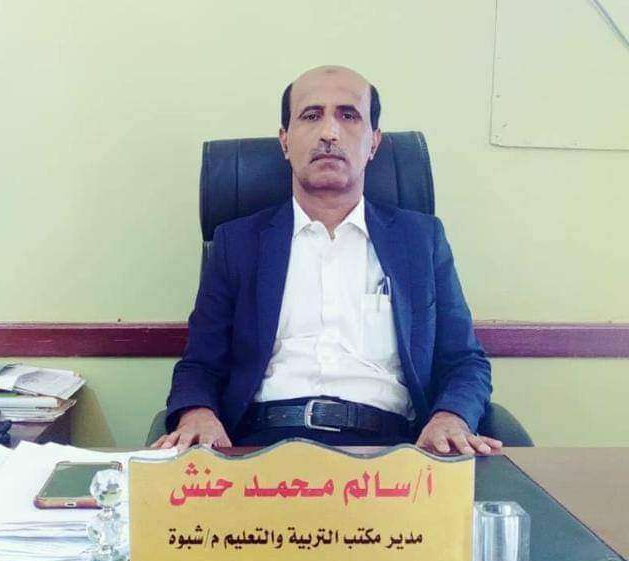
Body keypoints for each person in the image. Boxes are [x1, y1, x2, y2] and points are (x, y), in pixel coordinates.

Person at [152, 65, 501, 457]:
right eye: (311, 115)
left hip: (390, 451)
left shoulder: (420, 241)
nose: (330, 133)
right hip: (260, 447)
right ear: (285, 140)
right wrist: (197, 412)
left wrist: (451, 417)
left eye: (348, 115)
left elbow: (464, 362)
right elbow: (200, 364)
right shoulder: (238, 243)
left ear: (374, 142)